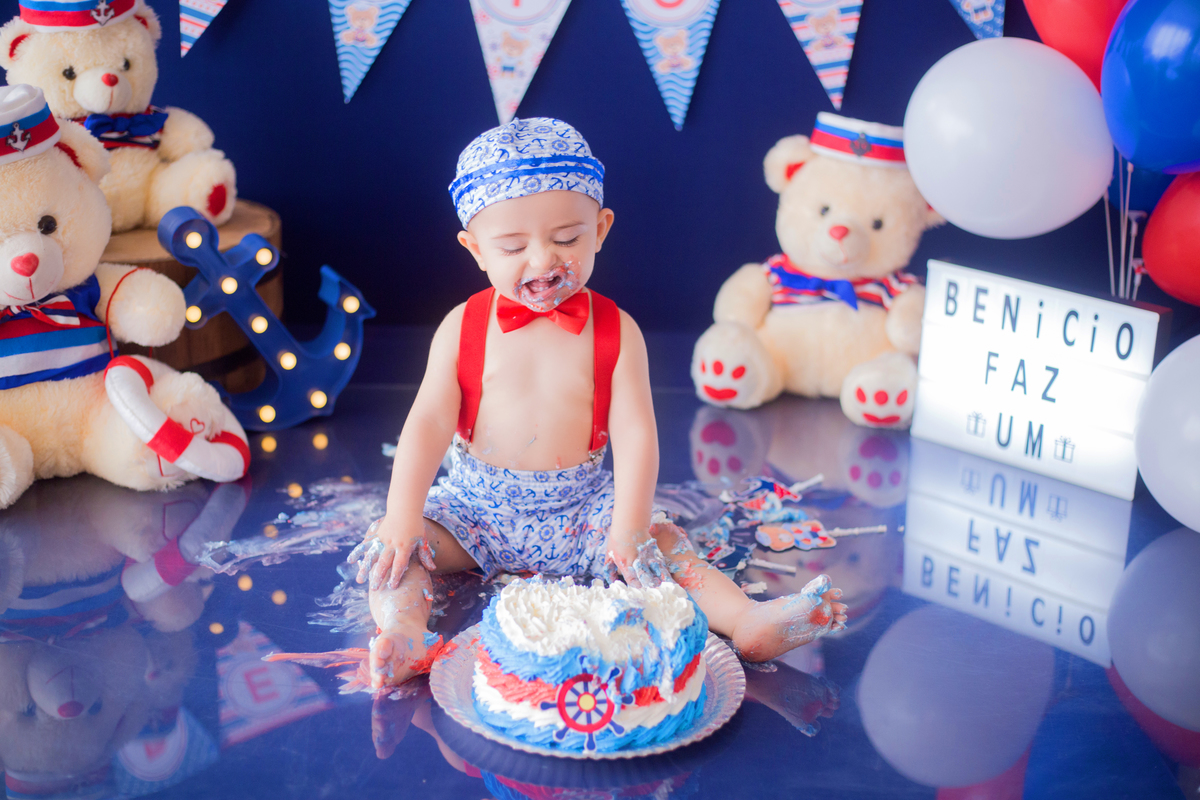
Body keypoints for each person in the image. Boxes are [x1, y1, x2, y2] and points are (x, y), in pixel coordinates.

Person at [349, 118, 847, 689]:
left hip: (583, 511)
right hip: (475, 510)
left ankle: (746, 621)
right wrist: (402, 515)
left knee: (663, 546)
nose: (543, 261)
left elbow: (635, 434)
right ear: (476, 249)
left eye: (567, 239)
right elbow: (430, 421)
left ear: (601, 229)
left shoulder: (617, 330)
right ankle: (405, 632)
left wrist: (628, 524)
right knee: (396, 548)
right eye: (513, 247)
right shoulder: (462, 326)